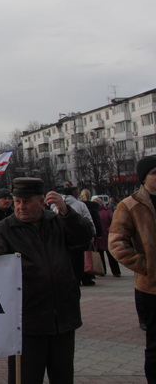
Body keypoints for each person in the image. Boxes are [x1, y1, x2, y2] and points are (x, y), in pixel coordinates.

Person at [0, 177, 92, 384]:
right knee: (25, 377)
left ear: (41, 202)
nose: (20, 207)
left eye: (26, 202)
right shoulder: (4, 228)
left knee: (63, 377)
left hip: (63, 317)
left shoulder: (58, 222)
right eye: (17, 202)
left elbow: (84, 237)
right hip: (27, 321)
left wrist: (67, 212)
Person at [109, 155, 156, 383]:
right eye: (155, 173)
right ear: (144, 178)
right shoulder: (130, 205)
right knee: (155, 344)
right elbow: (117, 243)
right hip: (151, 288)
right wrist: (146, 266)